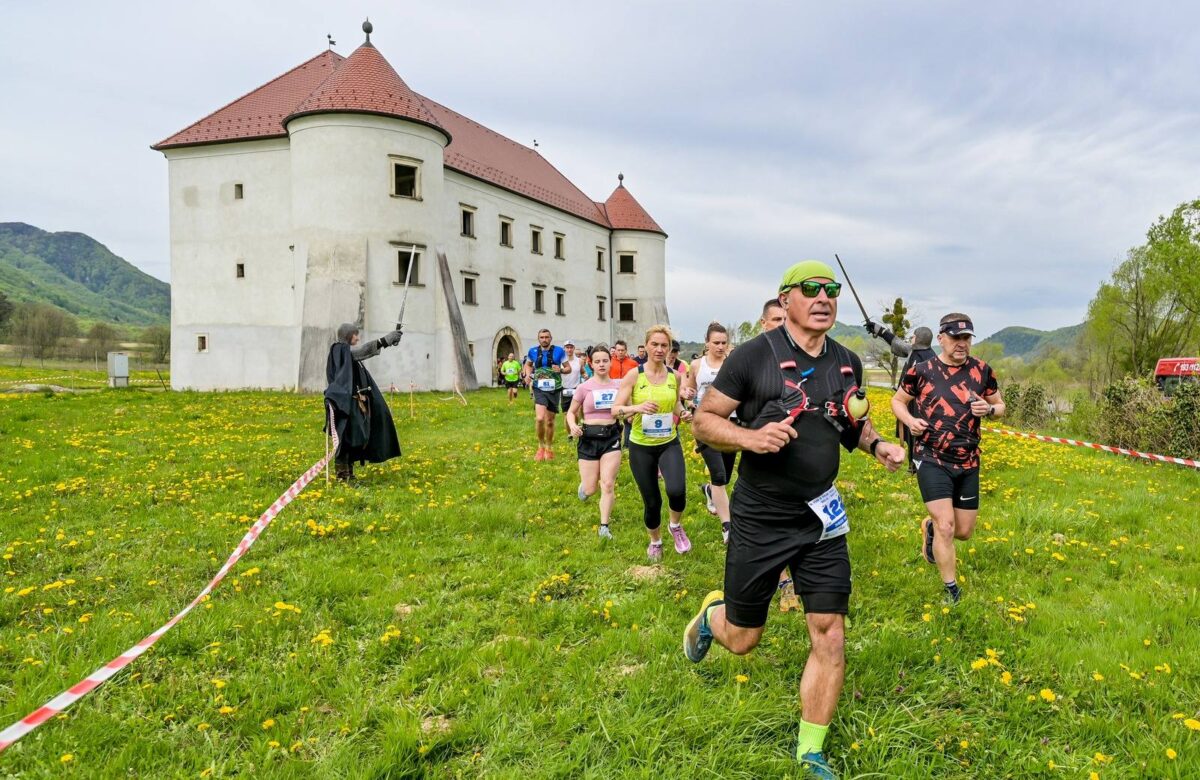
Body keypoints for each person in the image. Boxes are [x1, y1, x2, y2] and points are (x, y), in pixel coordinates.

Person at [685, 260, 905, 778]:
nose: (825, 298)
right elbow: (704, 419)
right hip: (761, 515)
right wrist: (750, 438)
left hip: (821, 515)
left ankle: (811, 750)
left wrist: (878, 446)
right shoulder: (752, 357)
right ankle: (712, 618)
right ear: (786, 300)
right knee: (744, 638)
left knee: (829, 632)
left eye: (831, 290)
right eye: (812, 290)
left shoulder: (847, 361)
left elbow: (853, 425)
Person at [890, 313, 1005, 605]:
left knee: (963, 531)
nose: (962, 344)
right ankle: (951, 589)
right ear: (941, 338)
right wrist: (910, 421)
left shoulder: (982, 371)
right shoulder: (923, 369)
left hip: (967, 459)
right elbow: (898, 401)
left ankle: (928, 529)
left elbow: (1000, 405)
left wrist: (988, 411)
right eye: (955, 338)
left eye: (967, 338)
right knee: (947, 525)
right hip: (931, 457)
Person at [612, 325, 694, 562]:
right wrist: (636, 407)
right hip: (641, 446)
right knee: (652, 501)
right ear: (646, 345)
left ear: (670, 348)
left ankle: (675, 526)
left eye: (664, 345)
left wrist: (684, 413)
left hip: (669, 442)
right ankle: (655, 541)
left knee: (677, 491)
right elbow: (615, 409)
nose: (659, 349)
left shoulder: (674, 376)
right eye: (655, 344)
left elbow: (676, 404)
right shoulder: (634, 375)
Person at [324, 323, 404, 482]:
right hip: (343, 405)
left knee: (355, 438)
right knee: (345, 440)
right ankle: (342, 475)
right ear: (348, 335)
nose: (358, 338)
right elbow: (361, 351)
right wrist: (385, 341)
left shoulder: (346, 353)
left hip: (353, 403)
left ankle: (349, 473)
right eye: (355, 335)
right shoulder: (339, 350)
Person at [683, 322, 736, 543]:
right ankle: (727, 526)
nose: (720, 346)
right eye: (716, 342)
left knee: (726, 473)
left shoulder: (734, 363)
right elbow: (689, 390)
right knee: (720, 476)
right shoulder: (697, 365)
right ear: (707, 343)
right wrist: (687, 396)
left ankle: (709, 491)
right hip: (704, 423)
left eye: (724, 342)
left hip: (731, 423)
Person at [566, 344, 623, 539]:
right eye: (597, 361)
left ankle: (604, 526)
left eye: (605, 361)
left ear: (610, 362)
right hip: (588, 438)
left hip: (612, 437)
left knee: (607, 484)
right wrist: (573, 426)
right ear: (591, 363)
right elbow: (571, 412)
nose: (601, 364)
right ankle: (585, 487)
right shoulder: (584, 387)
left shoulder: (618, 386)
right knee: (591, 488)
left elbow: (627, 408)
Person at [523, 328, 569, 461]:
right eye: (542, 337)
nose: (544, 339)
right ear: (538, 339)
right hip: (539, 388)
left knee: (549, 421)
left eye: (546, 337)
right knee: (539, 418)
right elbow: (528, 364)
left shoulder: (559, 351)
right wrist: (527, 375)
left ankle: (548, 447)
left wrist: (560, 369)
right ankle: (540, 446)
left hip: (554, 389)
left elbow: (568, 368)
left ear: (551, 338)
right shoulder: (533, 351)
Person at [893, 327, 936, 471]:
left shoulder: (930, 358)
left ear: (917, 339)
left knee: (918, 432)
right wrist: (879, 331)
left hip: (921, 404)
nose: (911, 338)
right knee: (910, 433)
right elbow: (896, 344)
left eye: (913, 336)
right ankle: (912, 463)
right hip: (908, 401)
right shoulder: (914, 352)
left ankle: (918, 464)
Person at [562, 339, 584, 405]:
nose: (569, 349)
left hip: (576, 389)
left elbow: (582, 372)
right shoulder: (560, 361)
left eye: (571, 347)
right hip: (564, 388)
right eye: (567, 347)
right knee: (566, 413)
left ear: (574, 348)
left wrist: (585, 375)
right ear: (564, 349)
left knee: (576, 412)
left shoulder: (580, 361)